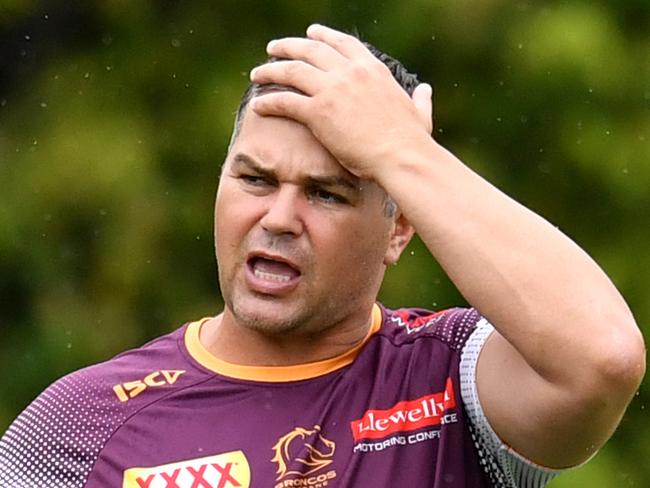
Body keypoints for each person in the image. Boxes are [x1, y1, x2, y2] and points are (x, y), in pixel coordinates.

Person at [0, 24, 645, 488]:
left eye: (325, 194)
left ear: (399, 231)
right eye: (254, 180)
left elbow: (603, 358)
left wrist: (402, 153)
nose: (279, 218)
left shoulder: (449, 379)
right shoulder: (77, 427)